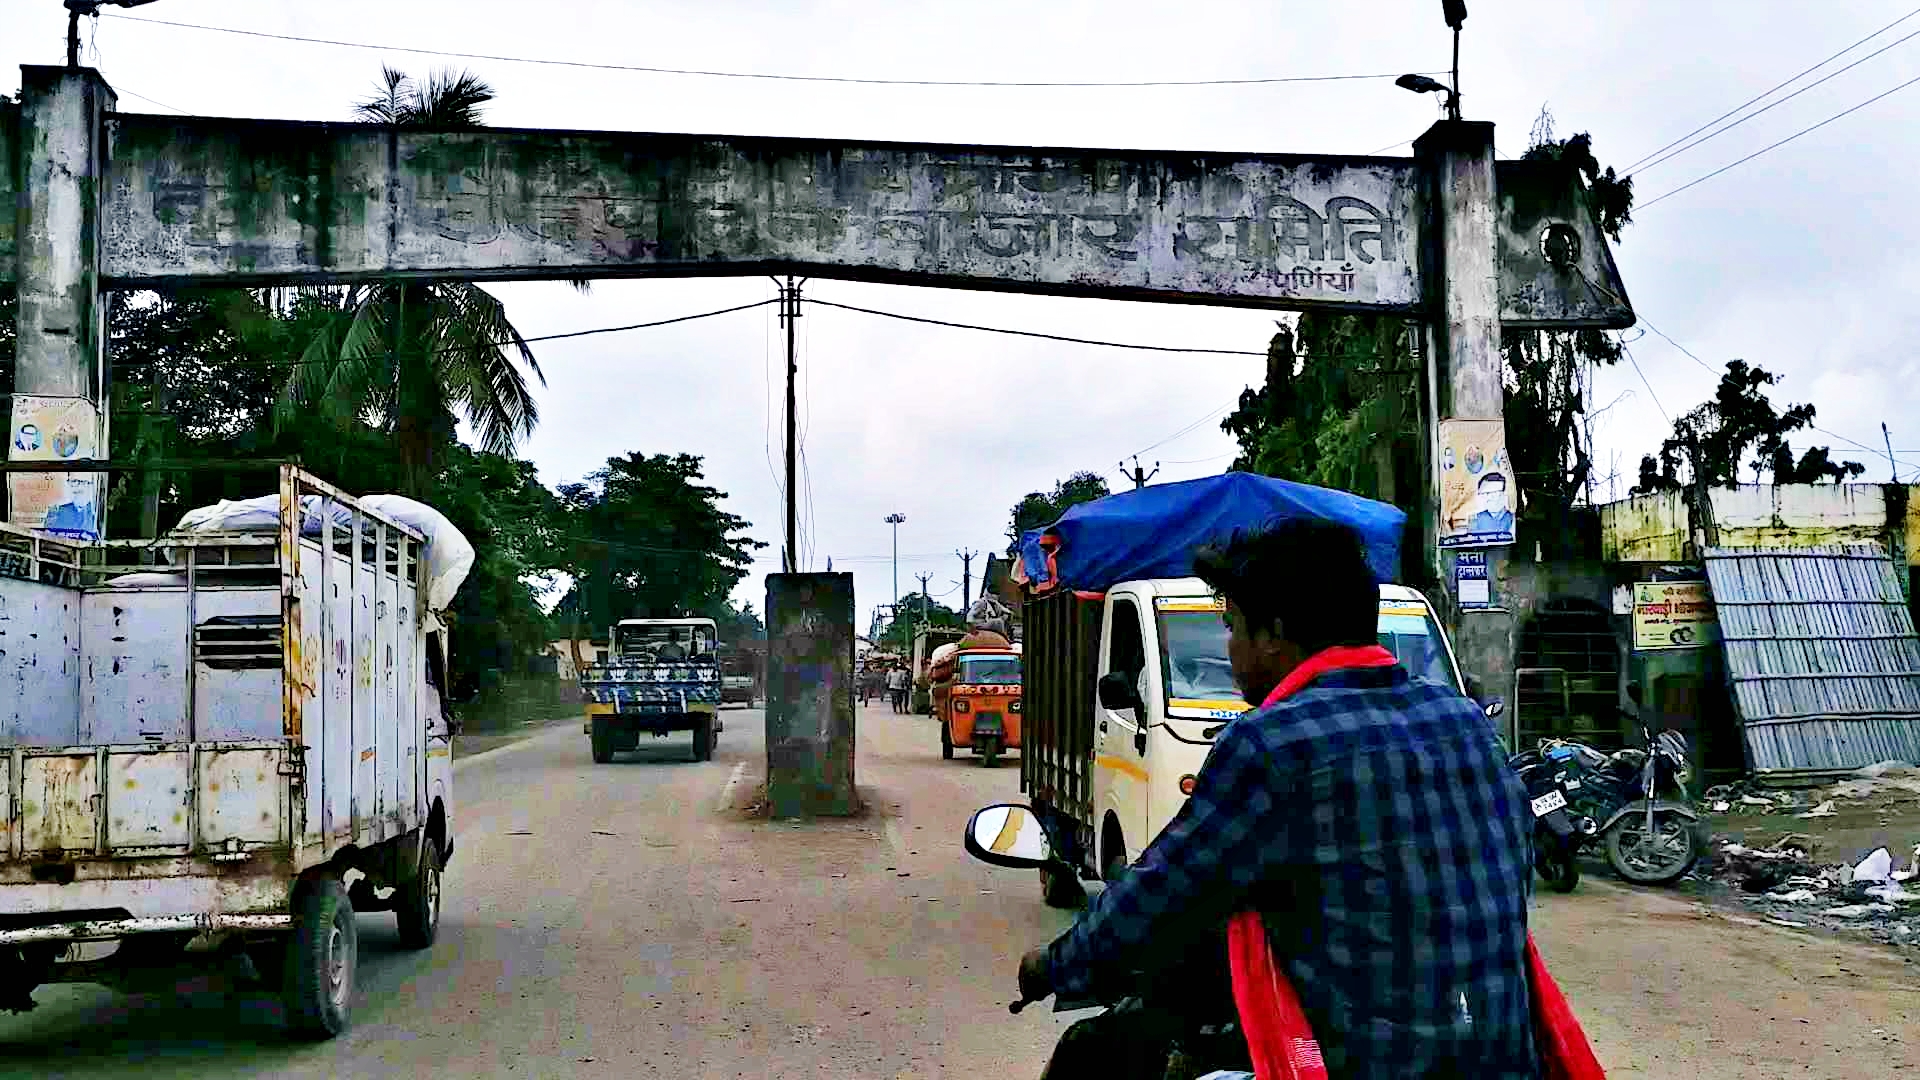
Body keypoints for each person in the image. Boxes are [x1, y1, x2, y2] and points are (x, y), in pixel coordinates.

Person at [1017, 518, 1538, 1079]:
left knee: (1094, 1054)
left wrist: (1054, 963)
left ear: (1275, 633)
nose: (1231, 650)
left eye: (1233, 627)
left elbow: (1160, 892)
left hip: (1359, 1062)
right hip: (1502, 1053)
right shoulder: (1465, 724)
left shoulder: (1270, 744)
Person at [1468, 471, 1515, 537]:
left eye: (1493, 493)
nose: (1488, 498)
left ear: (1504, 494)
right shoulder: (1475, 520)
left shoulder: (1513, 519)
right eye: (1484, 494)